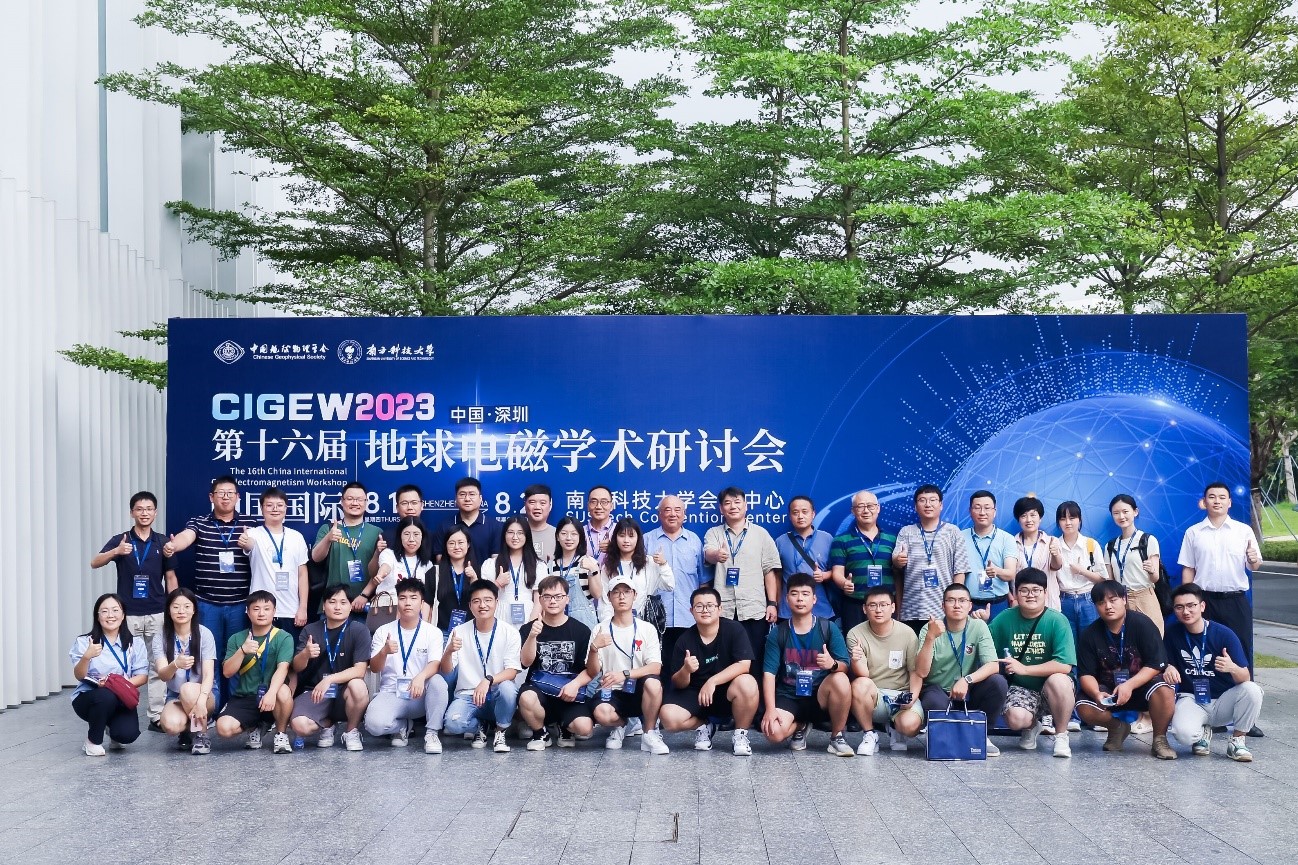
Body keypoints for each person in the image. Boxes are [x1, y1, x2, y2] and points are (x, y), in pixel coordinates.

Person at [1177, 481, 1264, 738]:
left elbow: (1255, 564)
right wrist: (1188, 601)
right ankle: (1212, 712)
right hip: (1205, 601)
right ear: (1204, 502)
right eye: (1212, 497)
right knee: (1207, 652)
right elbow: (1188, 569)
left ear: (1229, 502)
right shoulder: (1194, 532)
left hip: (1235, 600)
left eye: (1222, 497)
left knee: (1241, 652)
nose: (1217, 501)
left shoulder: (1243, 531)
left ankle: (1247, 718)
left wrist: (1254, 560)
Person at [163, 475, 259, 703]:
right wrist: (173, 545)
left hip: (239, 604)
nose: (225, 497)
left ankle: (234, 706)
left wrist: (251, 543)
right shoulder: (200, 522)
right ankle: (209, 705)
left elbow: (261, 551)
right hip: (207, 604)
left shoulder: (249, 523)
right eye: (220, 493)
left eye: (230, 493)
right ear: (211, 497)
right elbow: (186, 537)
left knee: (237, 655)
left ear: (237, 497)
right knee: (208, 657)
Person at [90, 490, 176, 729]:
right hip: (126, 615)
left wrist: (172, 607)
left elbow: (170, 577)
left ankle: (156, 716)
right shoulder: (122, 540)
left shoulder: (163, 543)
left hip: (157, 612)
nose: (144, 513)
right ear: (132, 513)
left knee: (158, 664)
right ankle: (120, 713)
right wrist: (116, 552)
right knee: (123, 664)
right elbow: (94, 562)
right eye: (139, 509)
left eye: (149, 509)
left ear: (155, 513)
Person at [1074, 580, 1177, 759]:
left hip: (1142, 685)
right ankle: (1117, 728)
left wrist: (1129, 685)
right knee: (1083, 706)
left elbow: (1156, 663)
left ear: (1124, 599)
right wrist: (1097, 693)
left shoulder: (1142, 624)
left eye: (1113, 600)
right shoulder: (1090, 634)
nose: (1108, 606)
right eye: (1101, 602)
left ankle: (1160, 739)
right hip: (1109, 690)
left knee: (1165, 689)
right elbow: (1086, 674)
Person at [1163, 583, 1263, 761]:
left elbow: (1245, 676)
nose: (1186, 611)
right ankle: (1202, 733)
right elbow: (1164, 663)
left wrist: (1232, 668)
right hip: (1193, 698)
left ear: (1202, 606)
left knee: (1252, 690)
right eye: (1179, 607)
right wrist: (1168, 667)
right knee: (1183, 735)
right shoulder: (1172, 633)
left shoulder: (1224, 634)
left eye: (1191, 605)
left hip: (1224, 700)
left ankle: (1238, 740)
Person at [760, 573, 853, 756]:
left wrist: (832, 664)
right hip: (789, 695)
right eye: (794, 594)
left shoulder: (828, 628)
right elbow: (769, 674)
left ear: (814, 599)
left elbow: (845, 665)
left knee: (841, 679)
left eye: (805, 594)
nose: (800, 599)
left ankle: (837, 736)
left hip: (820, 695)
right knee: (773, 733)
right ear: (786, 599)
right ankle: (800, 725)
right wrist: (770, 710)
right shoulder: (778, 633)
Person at [660, 586, 759, 756]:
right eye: (699, 606)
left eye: (710, 606)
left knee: (747, 683)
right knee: (668, 717)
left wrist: (712, 681)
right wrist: (686, 670)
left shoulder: (734, 629)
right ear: (691, 611)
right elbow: (677, 682)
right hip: (695, 694)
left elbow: (744, 665)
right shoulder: (684, 640)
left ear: (720, 609)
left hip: (726, 692)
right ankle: (704, 726)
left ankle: (740, 734)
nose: (705, 610)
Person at [988, 568, 1076, 758]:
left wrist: (1025, 669)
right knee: (1016, 719)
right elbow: (986, 649)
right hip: (1022, 687)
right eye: (1024, 590)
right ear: (1015, 593)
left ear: (1046, 592)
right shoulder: (1004, 619)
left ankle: (1061, 735)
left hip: (1052, 687)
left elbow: (1064, 665)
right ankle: (1032, 725)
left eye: (1036, 590)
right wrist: (980, 623)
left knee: (1059, 680)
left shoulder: (1057, 620)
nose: (1030, 595)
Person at [916, 583, 1008, 757]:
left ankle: (981, 735)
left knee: (998, 682)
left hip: (968, 690)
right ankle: (944, 736)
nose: (957, 605)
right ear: (943, 606)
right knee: (933, 701)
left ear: (970, 605)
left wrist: (967, 680)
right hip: (939, 689)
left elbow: (993, 665)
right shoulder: (930, 629)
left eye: (962, 600)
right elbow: (921, 672)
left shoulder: (978, 626)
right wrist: (930, 637)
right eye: (951, 600)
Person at [364, 578, 449, 753]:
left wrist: (420, 677)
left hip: (421, 696)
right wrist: (384, 652)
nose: (407, 603)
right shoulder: (383, 631)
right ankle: (402, 726)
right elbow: (375, 668)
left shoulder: (433, 632)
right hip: (392, 693)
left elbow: (435, 664)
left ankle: (432, 733)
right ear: (398, 602)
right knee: (373, 725)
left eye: (413, 598)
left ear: (422, 603)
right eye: (402, 598)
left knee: (439, 683)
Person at [588, 575, 669, 754]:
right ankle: (621, 725)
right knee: (602, 713)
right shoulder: (600, 629)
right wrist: (594, 648)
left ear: (635, 595)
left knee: (654, 683)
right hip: (612, 690)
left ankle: (649, 733)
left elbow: (655, 667)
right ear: (609, 597)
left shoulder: (646, 628)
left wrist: (624, 674)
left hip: (639, 689)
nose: (621, 596)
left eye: (626, 592)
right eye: (616, 592)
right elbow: (593, 671)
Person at [439, 579, 523, 752]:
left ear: (496, 602)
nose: (482, 605)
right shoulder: (459, 631)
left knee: (508, 689)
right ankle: (480, 726)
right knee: (453, 724)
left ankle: (500, 731)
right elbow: (447, 670)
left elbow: (512, 671)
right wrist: (448, 652)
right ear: (470, 606)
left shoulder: (510, 632)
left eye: (487, 600)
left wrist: (488, 680)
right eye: (476, 601)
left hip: (496, 692)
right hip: (468, 695)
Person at [704, 487, 781, 666]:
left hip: (754, 608)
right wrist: (717, 555)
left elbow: (769, 571)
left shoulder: (761, 534)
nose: (733, 506)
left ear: (746, 505)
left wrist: (772, 603)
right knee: (724, 660)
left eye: (737, 502)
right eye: (727, 503)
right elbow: (708, 554)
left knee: (755, 659)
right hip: (724, 609)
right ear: (721, 509)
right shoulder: (714, 533)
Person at [517, 575, 596, 750]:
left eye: (558, 596)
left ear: (567, 599)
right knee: (526, 697)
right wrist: (532, 636)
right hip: (539, 690)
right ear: (540, 599)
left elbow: (590, 670)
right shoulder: (528, 629)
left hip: (569, 692)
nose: (553, 601)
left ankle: (564, 726)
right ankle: (541, 733)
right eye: (547, 596)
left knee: (584, 728)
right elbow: (525, 663)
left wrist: (575, 685)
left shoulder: (581, 631)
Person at [289, 584, 373, 750]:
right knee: (300, 725)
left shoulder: (359, 630)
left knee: (358, 685)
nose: (337, 607)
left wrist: (330, 680)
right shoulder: (311, 630)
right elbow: (296, 668)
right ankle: (327, 725)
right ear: (324, 606)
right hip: (315, 692)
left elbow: (360, 670)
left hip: (344, 693)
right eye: (332, 602)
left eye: (343, 602)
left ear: (350, 606)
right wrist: (305, 654)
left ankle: (351, 731)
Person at [845, 586, 924, 755]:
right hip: (875, 695)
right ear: (864, 609)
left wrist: (912, 697)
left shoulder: (907, 633)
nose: (878, 610)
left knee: (910, 726)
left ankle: (895, 727)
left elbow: (915, 671)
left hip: (901, 694)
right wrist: (855, 659)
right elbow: (864, 675)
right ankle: (870, 734)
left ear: (893, 607)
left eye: (883, 605)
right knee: (859, 684)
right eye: (872, 605)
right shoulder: (855, 633)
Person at [213, 590, 295, 753]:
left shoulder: (284, 637)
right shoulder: (237, 638)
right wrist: (242, 651)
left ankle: (281, 734)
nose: (261, 613)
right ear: (248, 612)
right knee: (224, 728)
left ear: (274, 611)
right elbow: (227, 672)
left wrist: (271, 693)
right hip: (246, 696)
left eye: (266, 609)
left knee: (284, 692)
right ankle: (255, 727)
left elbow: (283, 668)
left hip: (273, 695)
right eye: (256, 609)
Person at [69, 593, 149, 756]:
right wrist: (87, 656)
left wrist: (116, 684)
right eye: (104, 611)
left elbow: (142, 676)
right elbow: (79, 675)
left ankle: (110, 728)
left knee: (127, 735)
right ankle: (92, 741)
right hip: (89, 698)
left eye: (115, 610)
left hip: (121, 697)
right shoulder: (85, 642)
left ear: (123, 615)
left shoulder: (135, 643)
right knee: (106, 696)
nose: (110, 615)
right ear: (97, 616)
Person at [644, 495, 707, 676]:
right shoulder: (647, 540)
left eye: (677, 510)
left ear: (684, 514)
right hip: (656, 620)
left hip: (688, 617)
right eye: (667, 510)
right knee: (657, 671)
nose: (672, 514)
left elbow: (703, 581)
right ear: (659, 514)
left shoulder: (694, 541)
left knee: (687, 669)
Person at [893, 485, 970, 631]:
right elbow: (896, 561)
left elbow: (960, 570)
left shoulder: (953, 532)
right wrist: (898, 560)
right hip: (912, 610)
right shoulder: (906, 532)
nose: (928, 504)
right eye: (922, 500)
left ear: (941, 505)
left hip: (942, 611)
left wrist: (954, 602)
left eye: (933, 500)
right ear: (916, 506)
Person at [153, 588, 217, 755]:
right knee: (171, 725)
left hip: (205, 693)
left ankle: (202, 734)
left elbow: (209, 674)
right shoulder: (161, 636)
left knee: (187, 689)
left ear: (194, 610)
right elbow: (163, 675)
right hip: (175, 695)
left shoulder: (204, 634)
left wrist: (201, 701)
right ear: (168, 610)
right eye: (176, 607)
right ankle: (188, 730)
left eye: (187, 606)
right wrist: (175, 664)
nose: (181, 611)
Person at [243, 486, 310, 643]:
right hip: (260, 611)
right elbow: (248, 545)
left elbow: (302, 574)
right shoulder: (252, 534)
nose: (275, 509)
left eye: (279, 505)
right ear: (261, 508)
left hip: (291, 611)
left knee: (290, 655)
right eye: (269, 505)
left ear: (286, 508)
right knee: (259, 655)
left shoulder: (296, 537)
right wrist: (245, 542)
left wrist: (303, 608)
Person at [312, 481, 384, 617]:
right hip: (333, 604)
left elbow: (381, 571)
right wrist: (328, 538)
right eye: (350, 499)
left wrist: (364, 595)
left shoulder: (377, 532)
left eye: (359, 499)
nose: (355, 503)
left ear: (366, 502)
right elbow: (316, 558)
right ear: (342, 501)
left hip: (365, 605)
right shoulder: (328, 528)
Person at [830, 490, 896, 633]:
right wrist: (844, 583)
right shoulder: (841, 540)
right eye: (860, 506)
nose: (866, 511)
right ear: (853, 511)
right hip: (855, 604)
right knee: (855, 644)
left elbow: (899, 574)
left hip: (885, 605)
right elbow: (837, 573)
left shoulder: (892, 539)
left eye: (870, 506)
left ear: (878, 508)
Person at [1051, 501, 1107, 657]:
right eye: (1063, 518)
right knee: (1068, 646)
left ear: (1080, 520)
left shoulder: (1091, 544)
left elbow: (1102, 579)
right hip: (1064, 600)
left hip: (1088, 600)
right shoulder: (1054, 545)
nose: (1068, 522)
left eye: (1072, 518)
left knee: (1092, 644)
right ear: (1058, 522)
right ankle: (1072, 673)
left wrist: (1082, 571)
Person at [1104, 494, 1166, 635]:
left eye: (1125, 511)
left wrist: (1152, 571)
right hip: (1121, 599)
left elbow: (1155, 578)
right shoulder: (1110, 546)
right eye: (1116, 513)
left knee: (1153, 638)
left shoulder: (1148, 540)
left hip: (1144, 596)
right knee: (1126, 641)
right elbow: (1109, 580)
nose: (1121, 516)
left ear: (1135, 512)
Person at [599, 517, 674, 623]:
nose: (626, 540)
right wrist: (608, 624)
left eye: (631, 536)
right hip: (616, 623)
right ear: (615, 538)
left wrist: (663, 565)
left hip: (643, 623)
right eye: (622, 535)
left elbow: (669, 586)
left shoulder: (649, 562)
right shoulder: (608, 566)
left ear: (638, 538)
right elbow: (605, 601)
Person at [774, 496, 836, 623]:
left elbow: (837, 570)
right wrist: (777, 603)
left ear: (813, 514)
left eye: (804, 512)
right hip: (788, 610)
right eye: (795, 512)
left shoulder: (827, 539)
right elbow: (776, 577)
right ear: (790, 516)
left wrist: (824, 575)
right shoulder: (780, 541)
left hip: (820, 608)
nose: (800, 516)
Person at [961, 490, 1019, 623]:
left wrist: (997, 571)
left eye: (987, 508)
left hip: (998, 604)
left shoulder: (1007, 539)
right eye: (977, 507)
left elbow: (1011, 574)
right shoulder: (960, 537)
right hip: (969, 605)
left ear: (994, 511)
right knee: (971, 637)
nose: (982, 512)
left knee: (999, 637)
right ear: (970, 511)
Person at [484, 517, 543, 626]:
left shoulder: (538, 565)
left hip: (528, 615)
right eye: (510, 532)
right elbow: (483, 597)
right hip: (499, 616)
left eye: (520, 533)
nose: (515, 537)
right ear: (504, 535)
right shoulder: (491, 564)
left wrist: (529, 626)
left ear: (527, 536)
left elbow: (539, 601)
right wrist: (497, 583)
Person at [375, 516, 435, 618]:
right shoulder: (389, 554)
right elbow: (386, 566)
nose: (411, 539)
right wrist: (380, 574)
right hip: (388, 610)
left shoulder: (428, 564)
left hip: (415, 615)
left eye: (416, 534)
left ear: (423, 537)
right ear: (400, 536)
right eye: (406, 534)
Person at [433, 477, 497, 569]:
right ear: (456, 499)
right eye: (462, 494)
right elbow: (440, 559)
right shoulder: (444, 526)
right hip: (452, 577)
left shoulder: (495, 526)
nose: (467, 499)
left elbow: (496, 560)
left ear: (480, 498)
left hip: (484, 577)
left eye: (472, 494)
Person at [1013, 496, 1064, 609]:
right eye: (1023, 516)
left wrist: (1055, 554)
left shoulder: (1051, 541)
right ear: (1018, 519)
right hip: (1020, 605)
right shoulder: (1011, 543)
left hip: (1048, 604)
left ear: (1040, 518)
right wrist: (1012, 599)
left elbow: (1056, 566)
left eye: (1033, 515)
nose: (1028, 520)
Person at [550, 516, 601, 628]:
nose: (569, 538)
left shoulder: (590, 562)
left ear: (580, 537)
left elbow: (597, 594)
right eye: (564, 533)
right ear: (557, 537)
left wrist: (592, 570)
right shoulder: (551, 566)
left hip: (584, 620)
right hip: (556, 620)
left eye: (574, 534)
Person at [367, 483, 425, 579]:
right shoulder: (385, 537)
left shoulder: (429, 536)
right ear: (397, 508)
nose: (410, 507)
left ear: (422, 505)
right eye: (404, 503)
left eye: (414, 503)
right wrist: (377, 553)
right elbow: (373, 574)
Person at [432, 526, 478, 633]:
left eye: (460, 542)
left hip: (471, 632)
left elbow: (481, 600)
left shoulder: (478, 570)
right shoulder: (435, 572)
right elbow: (427, 604)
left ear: (468, 544)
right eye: (452, 543)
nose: (456, 547)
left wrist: (474, 579)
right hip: (442, 632)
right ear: (446, 546)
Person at [583, 485, 617, 566]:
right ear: (588, 506)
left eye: (604, 502)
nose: (598, 507)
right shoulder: (579, 532)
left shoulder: (620, 531)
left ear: (611, 506)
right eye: (593, 502)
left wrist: (615, 548)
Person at [523, 484, 556, 562]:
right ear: (525, 505)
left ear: (550, 506)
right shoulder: (516, 534)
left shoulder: (558, 534)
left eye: (542, 503)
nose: (537, 507)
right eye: (532, 502)